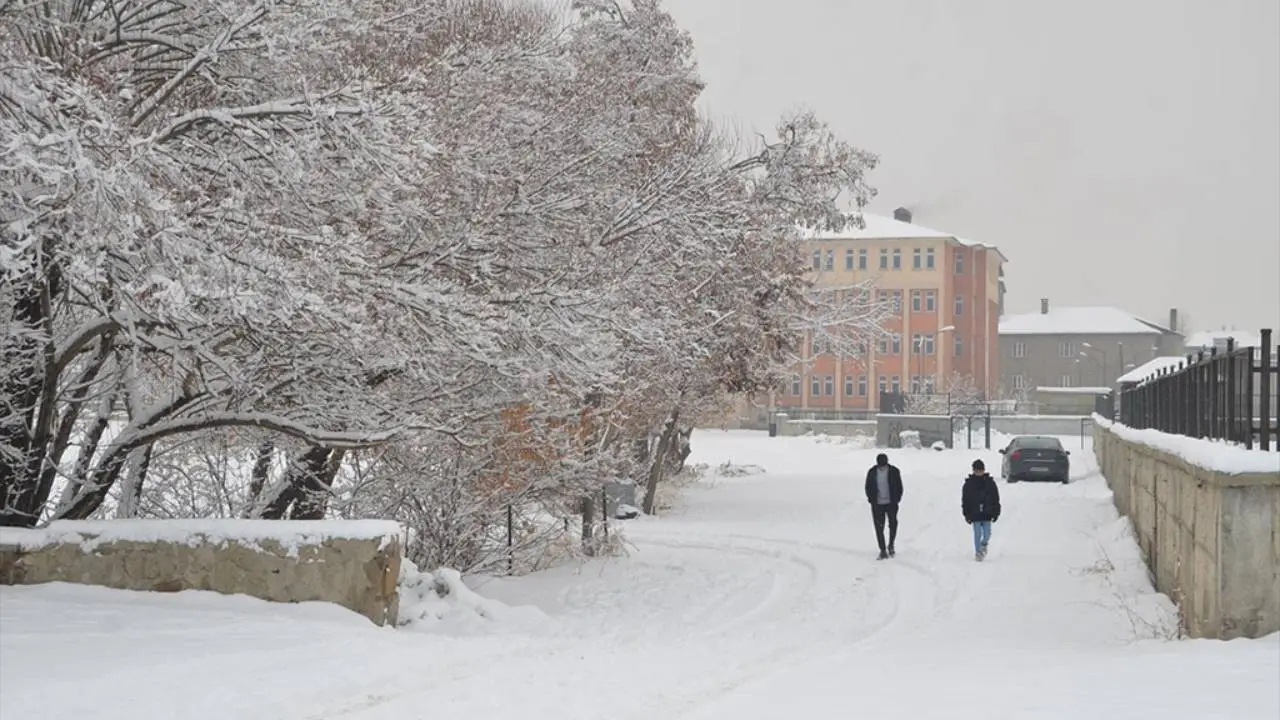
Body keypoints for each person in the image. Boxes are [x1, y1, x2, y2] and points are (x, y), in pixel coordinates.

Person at [864, 453, 904, 560]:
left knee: (893, 524)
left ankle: (891, 545)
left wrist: (897, 498)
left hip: (891, 503)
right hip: (877, 504)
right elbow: (868, 486)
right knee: (879, 527)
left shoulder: (894, 471)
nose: (882, 467)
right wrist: (871, 499)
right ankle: (882, 549)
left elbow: (899, 486)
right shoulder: (872, 472)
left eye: (884, 465)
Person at [962, 459, 1001, 561]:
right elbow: (965, 500)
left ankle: (984, 543)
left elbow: (995, 498)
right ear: (973, 471)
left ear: (984, 470)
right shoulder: (969, 484)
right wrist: (966, 514)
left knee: (987, 533)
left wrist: (996, 511)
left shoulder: (990, 483)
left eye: (980, 470)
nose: (979, 473)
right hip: (975, 514)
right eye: (977, 471)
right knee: (977, 533)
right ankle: (978, 552)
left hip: (987, 513)